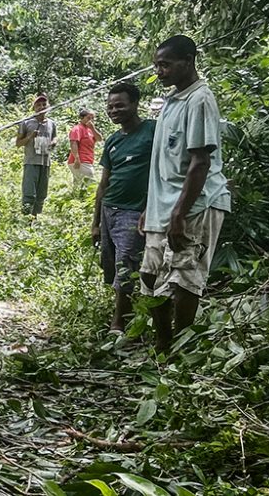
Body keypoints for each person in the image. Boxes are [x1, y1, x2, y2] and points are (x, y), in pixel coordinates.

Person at [140, 35, 231, 353]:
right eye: (157, 65)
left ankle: (180, 351)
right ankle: (162, 345)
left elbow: (200, 162)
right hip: (163, 207)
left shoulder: (200, 99)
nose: (160, 71)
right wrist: (150, 209)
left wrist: (179, 212)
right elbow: (164, 165)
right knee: (151, 276)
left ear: (188, 61)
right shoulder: (171, 102)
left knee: (184, 277)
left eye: (165, 64)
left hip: (195, 205)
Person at [91, 83, 156, 332]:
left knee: (125, 264)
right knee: (111, 264)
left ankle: (119, 323)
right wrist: (95, 222)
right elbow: (104, 183)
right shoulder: (113, 141)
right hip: (110, 209)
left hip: (134, 210)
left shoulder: (152, 130)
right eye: (110, 107)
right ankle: (124, 311)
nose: (114, 110)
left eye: (120, 105)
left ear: (135, 104)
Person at [16, 94, 57, 216]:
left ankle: (35, 219)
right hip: (31, 162)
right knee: (29, 193)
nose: (41, 107)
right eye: (38, 105)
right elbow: (18, 143)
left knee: (42, 194)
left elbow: (54, 136)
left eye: (44, 104)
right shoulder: (26, 123)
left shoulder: (51, 123)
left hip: (45, 162)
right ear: (34, 108)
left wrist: (54, 142)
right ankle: (25, 218)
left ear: (48, 106)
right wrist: (30, 137)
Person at [67, 108, 102, 186]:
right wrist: (77, 158)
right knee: (90, 183)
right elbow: (73, 143)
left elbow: (99, 139)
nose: (91, 120)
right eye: (88, 118)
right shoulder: (77, 129)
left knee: (79, 184)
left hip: (88, 160)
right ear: (82, 118)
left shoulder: (90, 130)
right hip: (80, 160)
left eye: (93, 118)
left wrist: (93, 128)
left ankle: (76, 197)